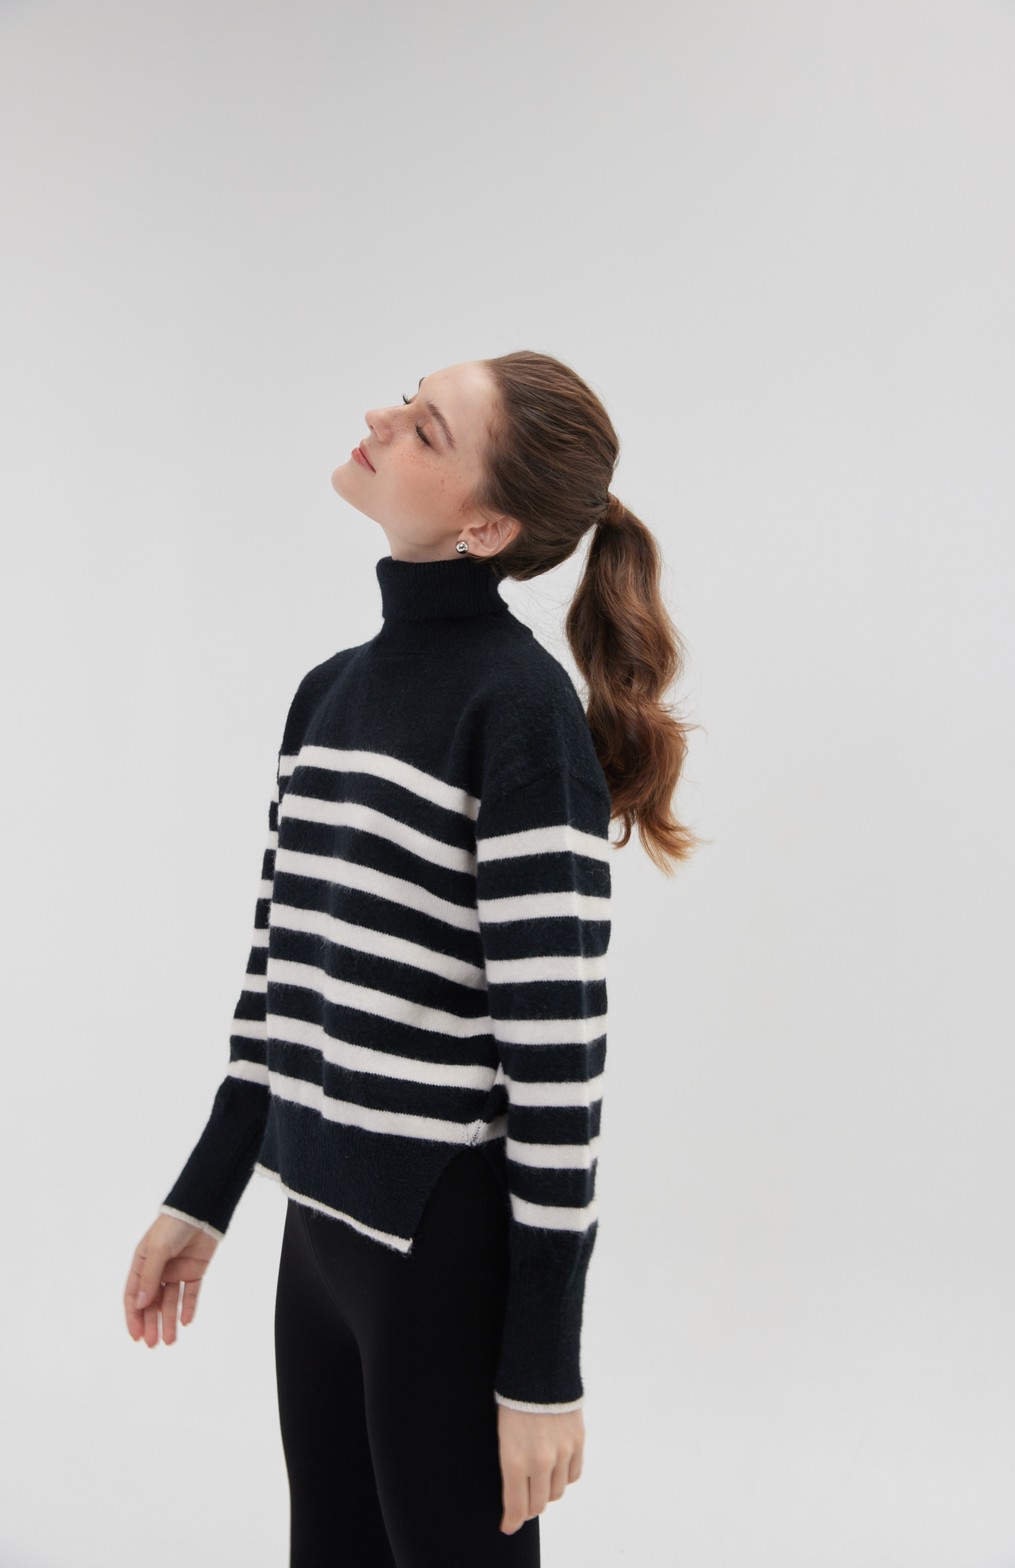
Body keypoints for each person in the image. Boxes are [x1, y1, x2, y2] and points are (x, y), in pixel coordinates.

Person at [123, 350, 702, 1565]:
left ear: (484, 525)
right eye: (405, 396)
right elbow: (281, 978)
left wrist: (541, 1362)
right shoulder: (325, 696)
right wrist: (204, 1191)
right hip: (318, 1242)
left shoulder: (519, 713)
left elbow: (556, 1068)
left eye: (426, 427)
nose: (380, 419)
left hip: (444, 1259)